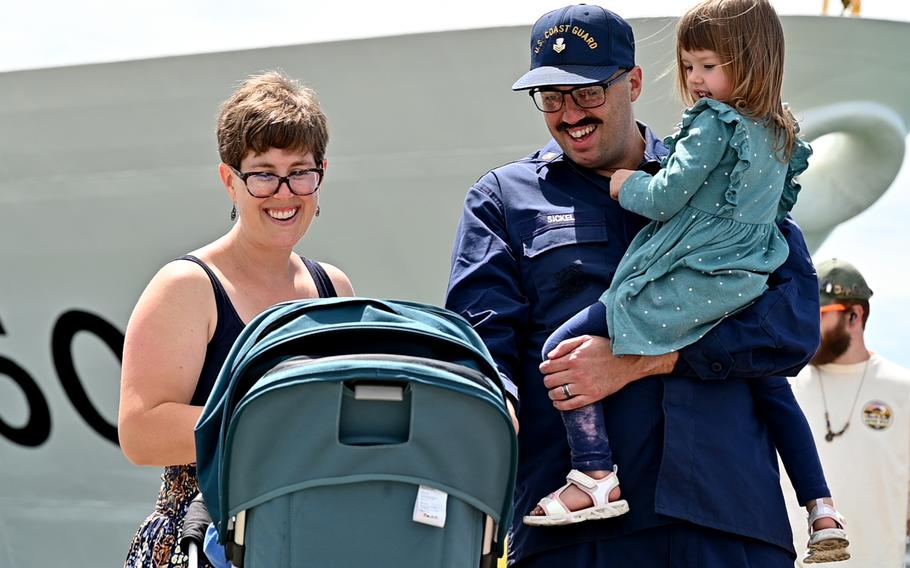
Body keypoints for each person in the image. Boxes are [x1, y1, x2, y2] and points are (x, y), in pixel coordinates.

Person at [445, 2, 822, 566]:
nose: (570, 113)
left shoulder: (728, 170)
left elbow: (791, 328)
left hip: (729, 520)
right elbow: (480, 361)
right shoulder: (502, 200)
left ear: (635, 83)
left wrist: (646, 359)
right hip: (577, 539)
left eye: (588, 93)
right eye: (551, 98)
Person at [118, 70, 354, 568]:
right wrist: (276, 419)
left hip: (306, 537)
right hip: (199, 541)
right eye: (263, 173)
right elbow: (140, 432)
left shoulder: (334, 288)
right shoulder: (187, 285)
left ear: (322, 174)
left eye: (300, 171)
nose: (284, 191)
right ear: (230, 179)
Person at [782, 259, 910, 567]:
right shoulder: (782, 387)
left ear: (855, 315)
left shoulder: (903, 389)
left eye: (819, 315)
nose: (806, 324)